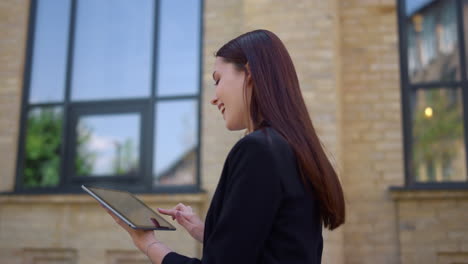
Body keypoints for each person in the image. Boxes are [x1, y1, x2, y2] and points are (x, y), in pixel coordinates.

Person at [104, 29, 345, 264]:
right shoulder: (291, 147)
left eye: (217, 79)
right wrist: (206, 231)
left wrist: (148, 243)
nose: (214, 97)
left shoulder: (258, 150)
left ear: (249, 72)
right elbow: (274, 244)